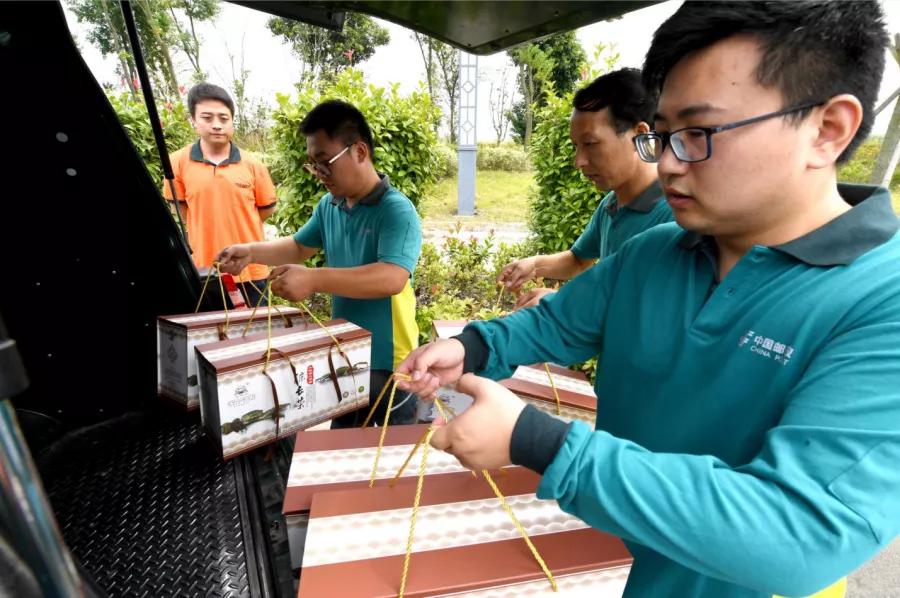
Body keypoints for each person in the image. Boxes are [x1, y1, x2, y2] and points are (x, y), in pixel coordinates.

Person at [397, 2, 899, 597]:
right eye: (662, 137)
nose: (666, 164)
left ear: (827, 129)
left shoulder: (881, 300)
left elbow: (801, 533)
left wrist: (539, 442)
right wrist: (473, 348)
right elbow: (557, 322)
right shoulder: (656, 250)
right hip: (622, 567)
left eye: (697, 134)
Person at [217, 100, 422, 428]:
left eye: (325, 163)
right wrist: (251, 252)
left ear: (359, 151)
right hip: (344, 350)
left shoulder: (396, 210)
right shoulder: (330, 205)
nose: (319, 175)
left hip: (390, 361)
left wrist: (313, 280)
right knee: (342, 443)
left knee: (390, 450)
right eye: (313, 165)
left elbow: (392, 277)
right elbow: (299, 247)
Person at [499, 68, 673, 309]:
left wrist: (563, 302)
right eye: (576, 146)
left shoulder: (672, 215)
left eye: (590, 144)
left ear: (640, 134)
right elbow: (579, 260)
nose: (578, 161)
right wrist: (535, 265)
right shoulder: (611, 204)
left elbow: (650, 310)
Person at [163, 82, 277, 306]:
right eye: (207, 118)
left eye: (223, 118)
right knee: (210, 327)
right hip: (204, 271)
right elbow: (180, 210)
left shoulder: (253, 165)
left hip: (251, 271)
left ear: (232, 121)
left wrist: (237, 223)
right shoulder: (176, 163)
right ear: (193, 120)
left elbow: (266, 210)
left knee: (257, 327)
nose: (216, 125)